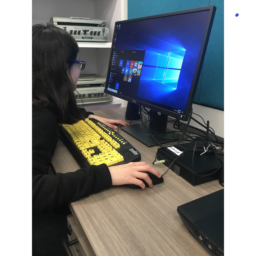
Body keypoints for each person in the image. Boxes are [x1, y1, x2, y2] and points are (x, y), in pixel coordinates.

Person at [31, 23, 161, 255]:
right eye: (78, 64)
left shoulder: (38, 103)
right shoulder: (39, 119)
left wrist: (87, 117)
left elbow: (55, 110)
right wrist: (107, 174)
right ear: (61, 72)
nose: (79, 72)